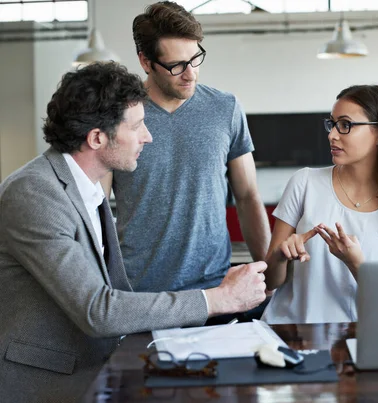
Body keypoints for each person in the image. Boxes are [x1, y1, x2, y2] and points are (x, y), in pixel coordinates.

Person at [0, 62, 267, 403]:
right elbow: (99, 310)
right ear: (97, 138)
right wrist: (219, 299)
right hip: (46, 384)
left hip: (95, 372)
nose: (148, 136)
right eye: (138, 126)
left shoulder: (86, 189)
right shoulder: (35, 195)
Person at [100, 1, 271, 309]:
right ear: (146, 61)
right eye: (177, 65)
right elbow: (95, 208)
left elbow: (247, 196)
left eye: (195, 59)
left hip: (217, 291)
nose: (190, 74)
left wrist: (268, 271)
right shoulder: (116, 116)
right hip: (140, 295)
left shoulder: (225, 108)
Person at [262, 85, 378, 324]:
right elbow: (269, 281)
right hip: (291, 333)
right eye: (332, 124)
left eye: (345, 125)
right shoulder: (304, 182)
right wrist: (281, 256)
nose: (332, 135)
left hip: (360, 338)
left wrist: (355, 262)